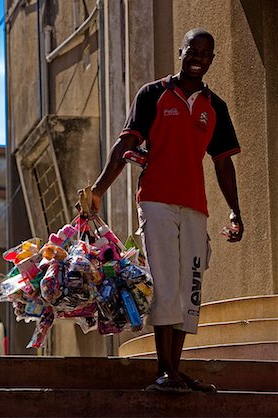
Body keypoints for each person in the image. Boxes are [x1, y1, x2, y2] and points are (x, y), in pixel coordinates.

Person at [88, 28, 244, 393]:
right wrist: (98, 189)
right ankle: (164, 371)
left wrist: (235, 211)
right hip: (156, 200)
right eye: (193, 50)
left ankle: (176, 370)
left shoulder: (214, 106)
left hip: (195, 207)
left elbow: (223, 163)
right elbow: (125, 144)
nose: (198, 58)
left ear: (211, 59)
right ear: (181, 51)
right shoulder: (153, 94)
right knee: (164, 285)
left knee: (190, 289)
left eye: (206, 53)